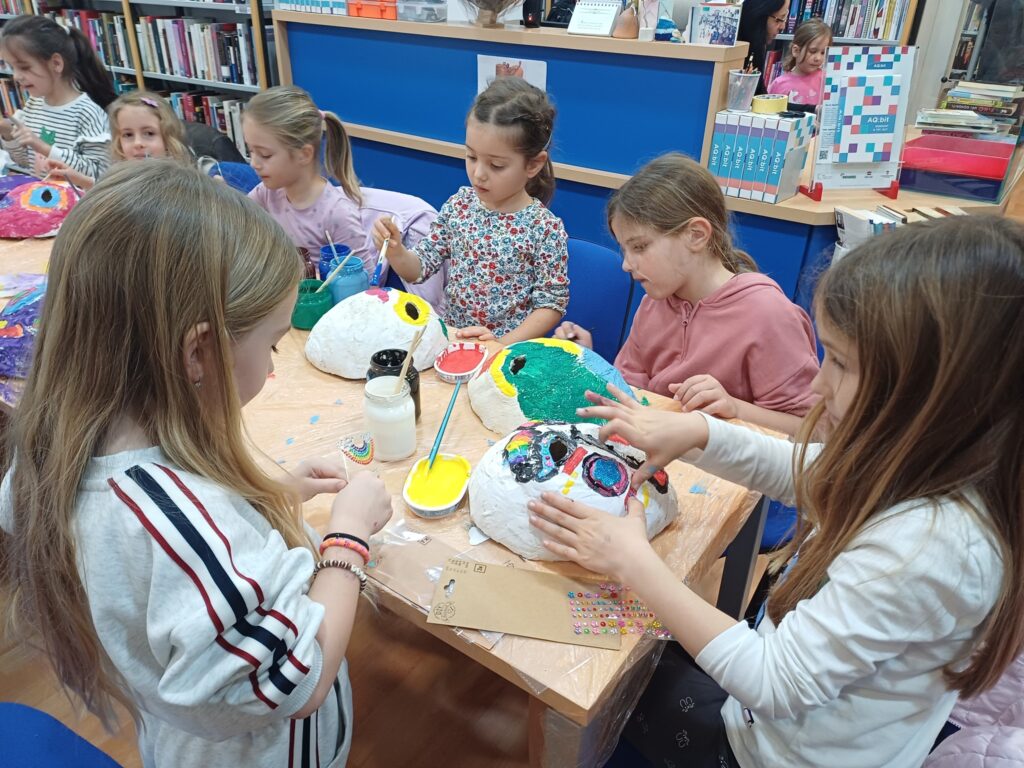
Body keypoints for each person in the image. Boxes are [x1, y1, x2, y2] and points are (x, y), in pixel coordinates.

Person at [531, 214, 1023, 768]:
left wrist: (633, 563)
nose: (818, 383)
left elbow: (773, 681)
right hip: (783, 709)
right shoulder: (930, 464)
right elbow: (809, 472)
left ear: (936, 392)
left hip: (773, 753)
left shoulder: (930, 547)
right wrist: (700, 432)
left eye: (840, 363)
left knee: (595, 684)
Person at [0, 161, 394, 767]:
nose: (272, 363)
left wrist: (269, 494)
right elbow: (300, 676)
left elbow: (169, 548)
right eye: (271, 342)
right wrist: (349, 537)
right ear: (198, 352)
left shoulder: (56, 447)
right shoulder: (175, 524)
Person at [556, 153, 818, 436]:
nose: (626, 264)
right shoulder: (653, 302)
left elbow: (814, 430)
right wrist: (590, 361)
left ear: (696, 235)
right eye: (624, 249)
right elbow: (631, 395)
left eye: (640, 247)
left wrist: (735, 408)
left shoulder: (768, 315)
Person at [372, 77, 569, 344]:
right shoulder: (460, 205)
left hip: (506, 354)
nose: (478, 174)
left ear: (533, 165)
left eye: (496, 165)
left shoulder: (544, 228)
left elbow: (551, 305)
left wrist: (500, 344)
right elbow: (417, 269)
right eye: (471, 157)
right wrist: (396, 251)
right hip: (456, 344)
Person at [243, 85, 374, 278]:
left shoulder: (337, 215)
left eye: (265, 154)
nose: (254, 163)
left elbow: (368, 283)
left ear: (304, 154)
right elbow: (237, 224)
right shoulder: (266, 193)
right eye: (251, 151)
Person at [0, 14, 114, 179]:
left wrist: (44, 148)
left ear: (56, 63)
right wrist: (7, 133)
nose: (16, 76)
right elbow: (28, 162)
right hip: (43, 195)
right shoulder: (33, 104)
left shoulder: (87, 113)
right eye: (12, 68)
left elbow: (99, 175)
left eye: (24, 67)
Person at [46, 90, 192, 190]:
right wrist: (78, 179)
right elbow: (110, 195)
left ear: (167, 137)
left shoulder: (177, 183)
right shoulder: (125, 175)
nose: (138, 143)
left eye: (149, 133)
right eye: (128, 135)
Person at [768, 18, 831, 107]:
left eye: (823, 53)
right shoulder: (779, 84)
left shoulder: (827, 81)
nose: (818, 58)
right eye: (812, 51)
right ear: (796, 51)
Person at [737, 0, 791, 94]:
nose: (782, 27)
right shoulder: (737, 54)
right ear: (759, 17)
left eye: (785, 17)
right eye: (778, 20)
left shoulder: (758, 49)